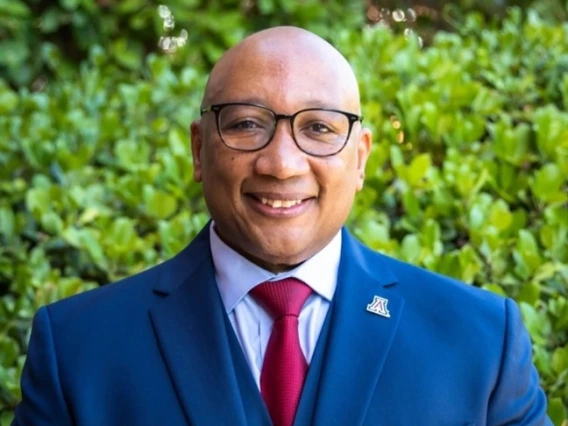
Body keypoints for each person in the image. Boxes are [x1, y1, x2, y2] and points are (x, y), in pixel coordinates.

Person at [13, 26, 551, 426]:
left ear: (360, 158)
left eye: (318, 127)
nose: (282, 163)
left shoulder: (480, 343)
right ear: (200, 150)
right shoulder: (78, 350)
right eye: (248, 124)